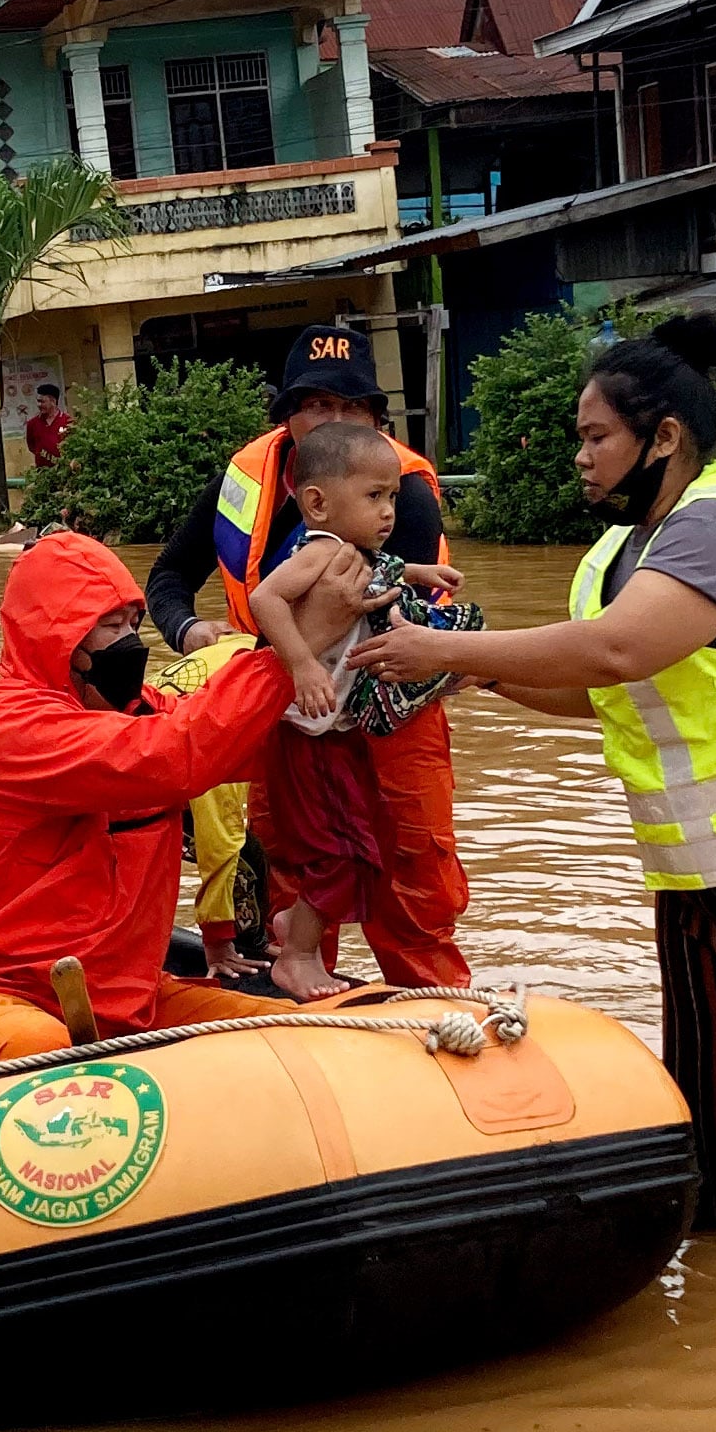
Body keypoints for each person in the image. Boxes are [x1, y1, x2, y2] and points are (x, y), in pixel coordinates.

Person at [348, 314, 716, 1260]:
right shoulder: (623, 551)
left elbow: (618, 648)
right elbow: (600, 688)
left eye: (595, 435)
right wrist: (471, 674)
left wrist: (444, 648)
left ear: (664, 438)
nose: (580, 456)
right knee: (714, 1122)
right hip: (701, 877)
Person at [0, 532, 301, 1072]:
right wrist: (280, 658)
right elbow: (178, 755)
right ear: (61, 637)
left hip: (119, 1002)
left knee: (285, 1037)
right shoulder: (2, 727)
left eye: (134, 623)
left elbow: (238, 745)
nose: (130, 642)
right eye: (110, 625)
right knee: (42, 1054)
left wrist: (326, 661)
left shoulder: (138, 709)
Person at [144, 324, 469, 988]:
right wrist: (188, 629)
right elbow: (169, 575)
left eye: (354, 407)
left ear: (376, 420)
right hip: (281, 707)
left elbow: (384, 601)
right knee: (290, 862)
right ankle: (300, 991)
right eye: (318, 404)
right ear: (287, 414)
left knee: (409, 877)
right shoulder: (242, 479)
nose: (337, 420)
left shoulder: (400, 491)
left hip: (387, 708)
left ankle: (432, 1004)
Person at [243, 423, 482, 996]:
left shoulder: (352, 553)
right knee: (342, 854)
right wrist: (302, 664)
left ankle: (293, 926)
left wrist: (419, 573)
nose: (389, 511)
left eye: (392, 496)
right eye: (374, 496)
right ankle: (297, 955)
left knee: (370, 843)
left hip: (337, 733)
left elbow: (382, 571)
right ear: (318, 503)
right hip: (308, 736)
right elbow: (264, 597)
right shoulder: (321, 550)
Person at [151, 631, 269, 980]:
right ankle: (237, 953)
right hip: (144, 771)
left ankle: (253, 941)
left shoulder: (247, 645)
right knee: (245, 861)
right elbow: (220, 837)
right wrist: (216, 938)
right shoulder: (235, 712)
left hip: (133, 737)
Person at [23, 383, 74, 466]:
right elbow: (32, 447)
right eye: (38, 401)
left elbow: (74, 445)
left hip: (64, 469)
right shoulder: (32, 423)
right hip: (42, 470)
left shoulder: (68, 421)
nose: (39, 405)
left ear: (53, 401)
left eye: (42, 402)